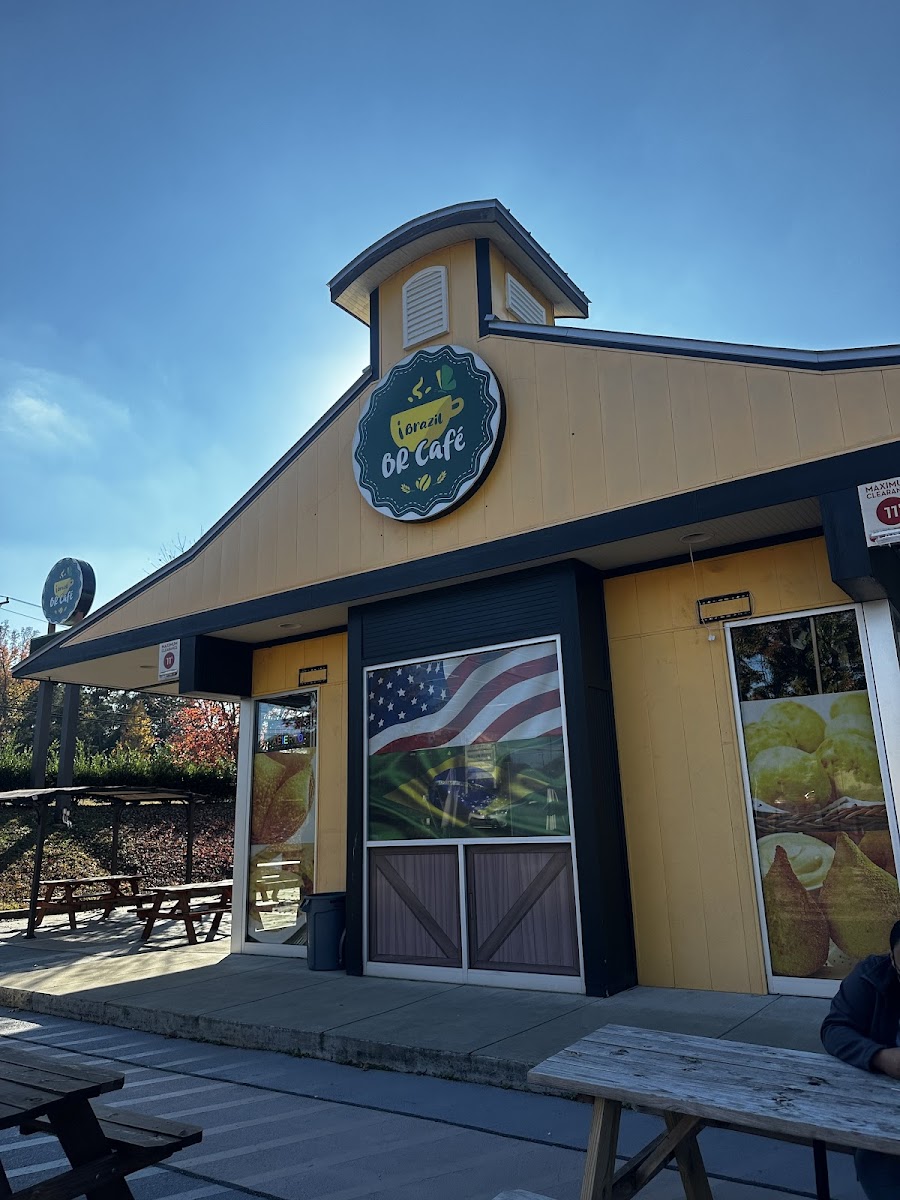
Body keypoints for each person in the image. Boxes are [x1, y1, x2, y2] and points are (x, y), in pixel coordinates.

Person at [821, 919, 900, 1198]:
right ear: (892, 959)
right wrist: (878, 1056)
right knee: (879, 1170)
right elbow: (834, 1028)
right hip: (882, 1113)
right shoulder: (871, 976)